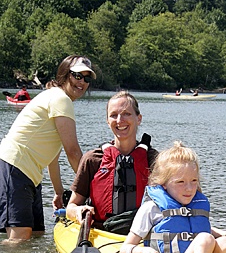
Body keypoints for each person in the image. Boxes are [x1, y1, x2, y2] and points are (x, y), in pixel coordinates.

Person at [0, 55, 95, 243]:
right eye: (78, 76)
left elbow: (53, 157)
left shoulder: (56, 97)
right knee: (19, 239)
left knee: (36, 236)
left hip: (28, 174)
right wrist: (92, 189)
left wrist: (59, 192)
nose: (82, 82)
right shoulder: (61, 99)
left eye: (87, 78)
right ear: (65, 74)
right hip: (13, 167)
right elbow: (73, 152)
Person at [120, 141, 226, 253]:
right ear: (164, 184)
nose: (189, 188)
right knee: (204, 239)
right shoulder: (151, 209)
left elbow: (197, 229)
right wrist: (143, 251)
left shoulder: (195, 204)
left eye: (194, 181)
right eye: (180, 182)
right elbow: (125, 248)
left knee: (224, 242)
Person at [66, 91, 158, 234]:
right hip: (102, 234)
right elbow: (71, 206)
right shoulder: (92, 159)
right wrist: (78, 210)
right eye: (114, 115)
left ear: (138, 119)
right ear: (107, 121)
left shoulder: (155, 160)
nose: (120, 120)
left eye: (126, 113)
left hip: (143, 236)